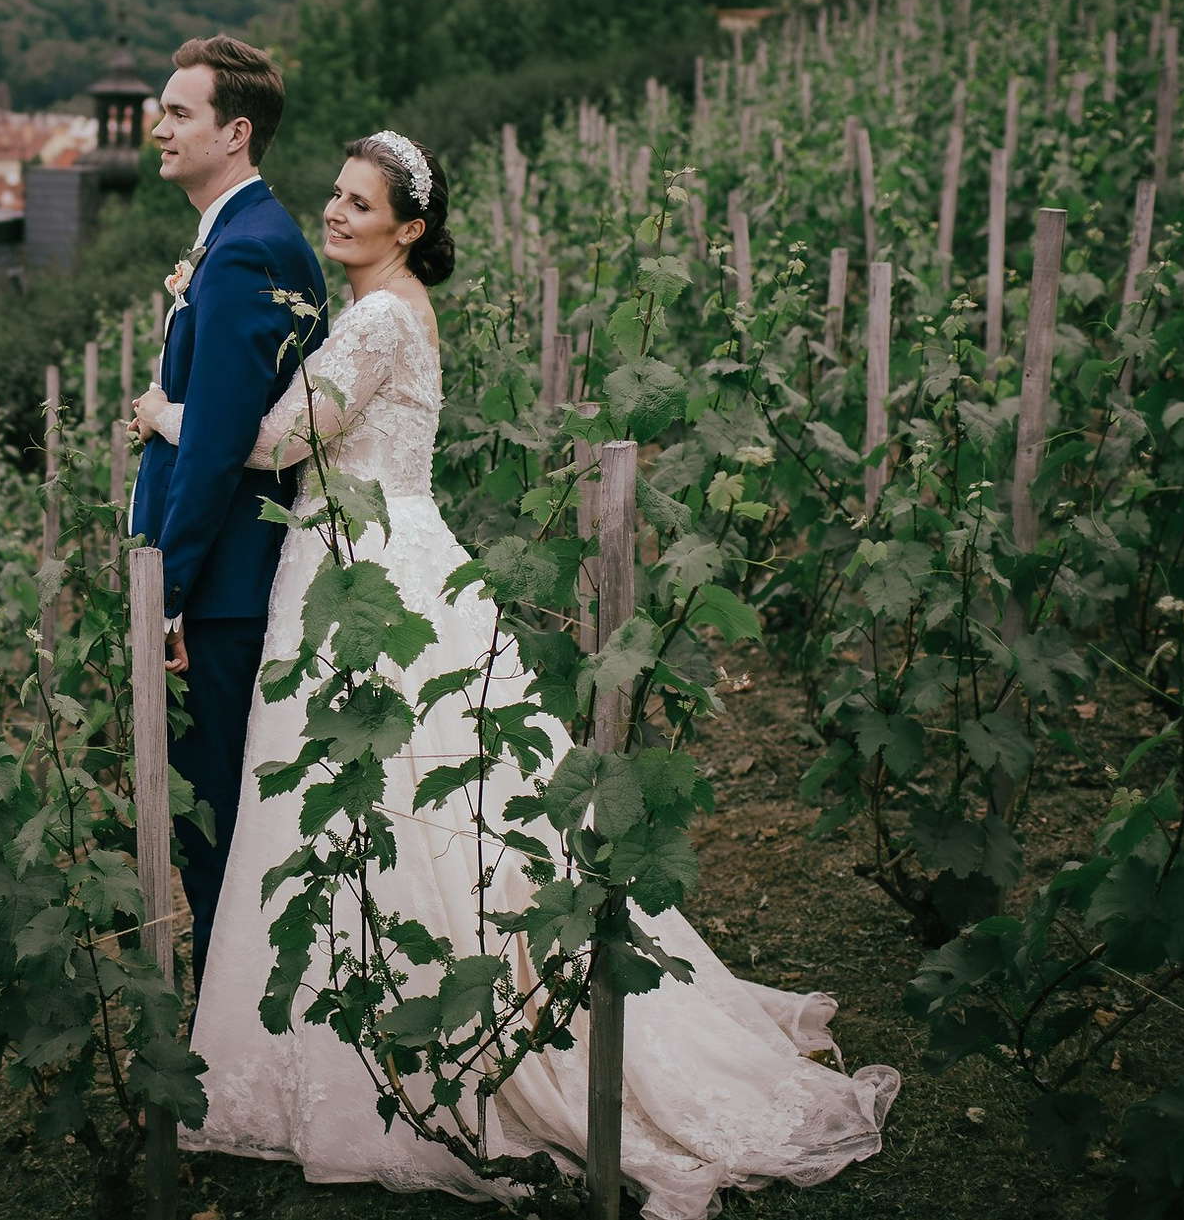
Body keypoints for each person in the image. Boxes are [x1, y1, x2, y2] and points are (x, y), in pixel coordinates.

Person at [133, 132, 899, 1220]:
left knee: (394, 794)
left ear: (409, 228)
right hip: (359, 555)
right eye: (335, 198)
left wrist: (168, 418)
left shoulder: (388, 314)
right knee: (364, 800)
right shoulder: (370, 310)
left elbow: (275, 442)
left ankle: (414, 1038)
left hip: (369, 567)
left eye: (362, 205)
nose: (337, 215)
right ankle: (353, 1029)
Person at [127, 34, 326, 992]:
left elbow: (216, 445)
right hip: (216, 584)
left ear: (235, 132)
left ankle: (232, 1032)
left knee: (220, 825)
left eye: (180, 112)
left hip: (223, 592)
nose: (157, 126)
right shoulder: (233, 238)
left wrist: (168, 589)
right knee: (216, 819)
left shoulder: (248, 250)